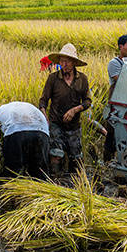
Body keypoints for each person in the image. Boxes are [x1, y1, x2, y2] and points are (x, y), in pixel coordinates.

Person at [38, 43, 92, 174]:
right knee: (56, 154)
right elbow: (43, 101)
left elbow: (88, 101)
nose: (64, 64)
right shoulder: (53, 78)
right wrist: (45, 117)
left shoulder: (82, 79)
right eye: (62, 61)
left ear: (73, 62)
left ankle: (73, 185)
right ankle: (55, 181)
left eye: (67, 61)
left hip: (74, 126)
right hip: (56, 124)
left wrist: (75, 110)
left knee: (76, 158)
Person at [0, 101, 49, 178]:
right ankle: (41, 188)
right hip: (42, 132)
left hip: (16, 133)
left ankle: (12, 187)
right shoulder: (30, 107)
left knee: (13, 170)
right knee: (39, 170)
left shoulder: (0, 110)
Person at [104, 34, 127, 160]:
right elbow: (123, 81)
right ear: (120, 47)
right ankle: (107, 163)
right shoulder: (114, 63)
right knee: (112, 135)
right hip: (117, 105)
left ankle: (124, 160)